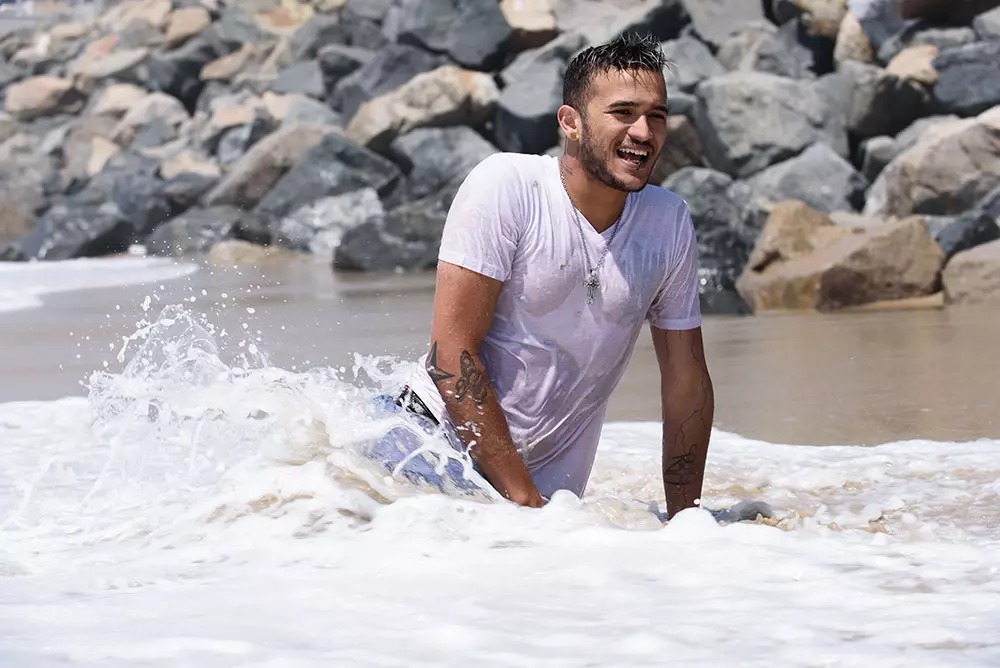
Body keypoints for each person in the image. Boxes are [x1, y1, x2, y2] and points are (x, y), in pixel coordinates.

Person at [386, 33, 714, 520]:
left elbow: (685, 380)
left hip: (545, 500)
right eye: (623, 113)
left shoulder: (667, 222)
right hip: (422, 452)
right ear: (571, 122)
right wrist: (522, 498)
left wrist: (688, 520)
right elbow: (451, 354)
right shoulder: (508, 186)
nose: (644, 132)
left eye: (657, 116)